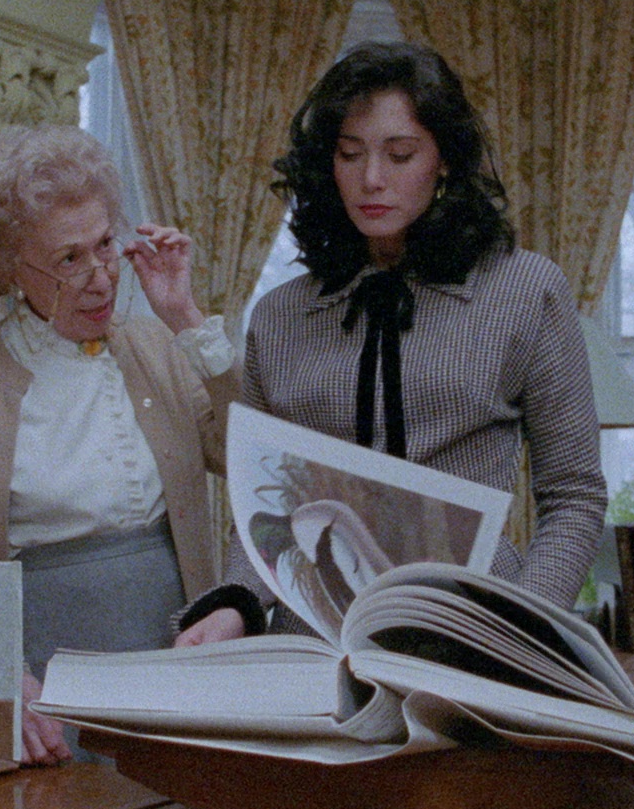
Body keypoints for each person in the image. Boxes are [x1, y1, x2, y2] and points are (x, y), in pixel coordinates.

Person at [173, 41, 606, 644]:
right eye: (350, 154)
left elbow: (574, 497)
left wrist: (521, 630)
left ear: (445, 160)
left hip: (474, 633)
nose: (371, 179)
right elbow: (265, 502)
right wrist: (237, 606)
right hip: (311, 643)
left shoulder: (527, 291)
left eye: (400, 154)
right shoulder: (278, 316)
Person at [0, 124, 234, 765]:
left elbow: (249, 456)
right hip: (46, 695)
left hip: (176, 666)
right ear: (9, 269)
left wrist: (185, 317)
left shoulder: (156, 347)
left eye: (105, 245)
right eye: (69, 260)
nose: (100, 280)